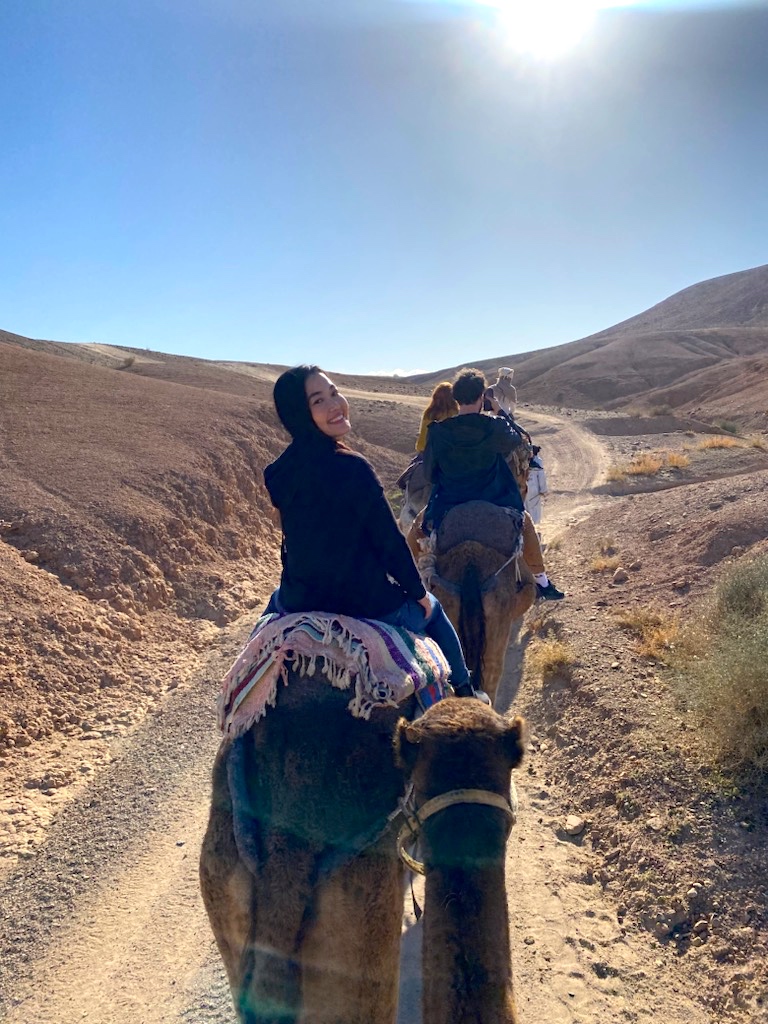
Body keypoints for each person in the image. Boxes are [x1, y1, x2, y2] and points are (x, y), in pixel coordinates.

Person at [263, 365, 488, 701]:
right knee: (435, 612)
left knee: (266, 621)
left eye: (334, 392)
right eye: (318, 400)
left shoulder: (276, 473)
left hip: (301, 598)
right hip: (366, 602)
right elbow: (389, 543)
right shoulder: (353, 468)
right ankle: (466, 693)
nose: (335, 404)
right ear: (300, 412)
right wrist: (418, 593)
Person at [423, 367, 564, 601]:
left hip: (448, 504)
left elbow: (429, 474)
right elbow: (519, 440)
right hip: (496, 501)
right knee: (527, 525)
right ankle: (542, 582)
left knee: (415, 533)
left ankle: (415, 590)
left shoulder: (437, 432)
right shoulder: (495, 426)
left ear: (456, 398)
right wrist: (500, 412)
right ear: (482, 397)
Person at [415, 381, 459, 453]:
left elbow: (422, 439)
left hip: (424, 451)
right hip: (444, 453)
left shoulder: (429, 412)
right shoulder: (455, 413)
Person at [524, 446, 548, 544]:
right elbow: (541, 477)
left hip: (523, 487)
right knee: (533, 509)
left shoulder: (522, 459)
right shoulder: (538, 461)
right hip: (534, 489)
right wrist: (543, 490)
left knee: (525, 508)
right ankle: (531, 531)